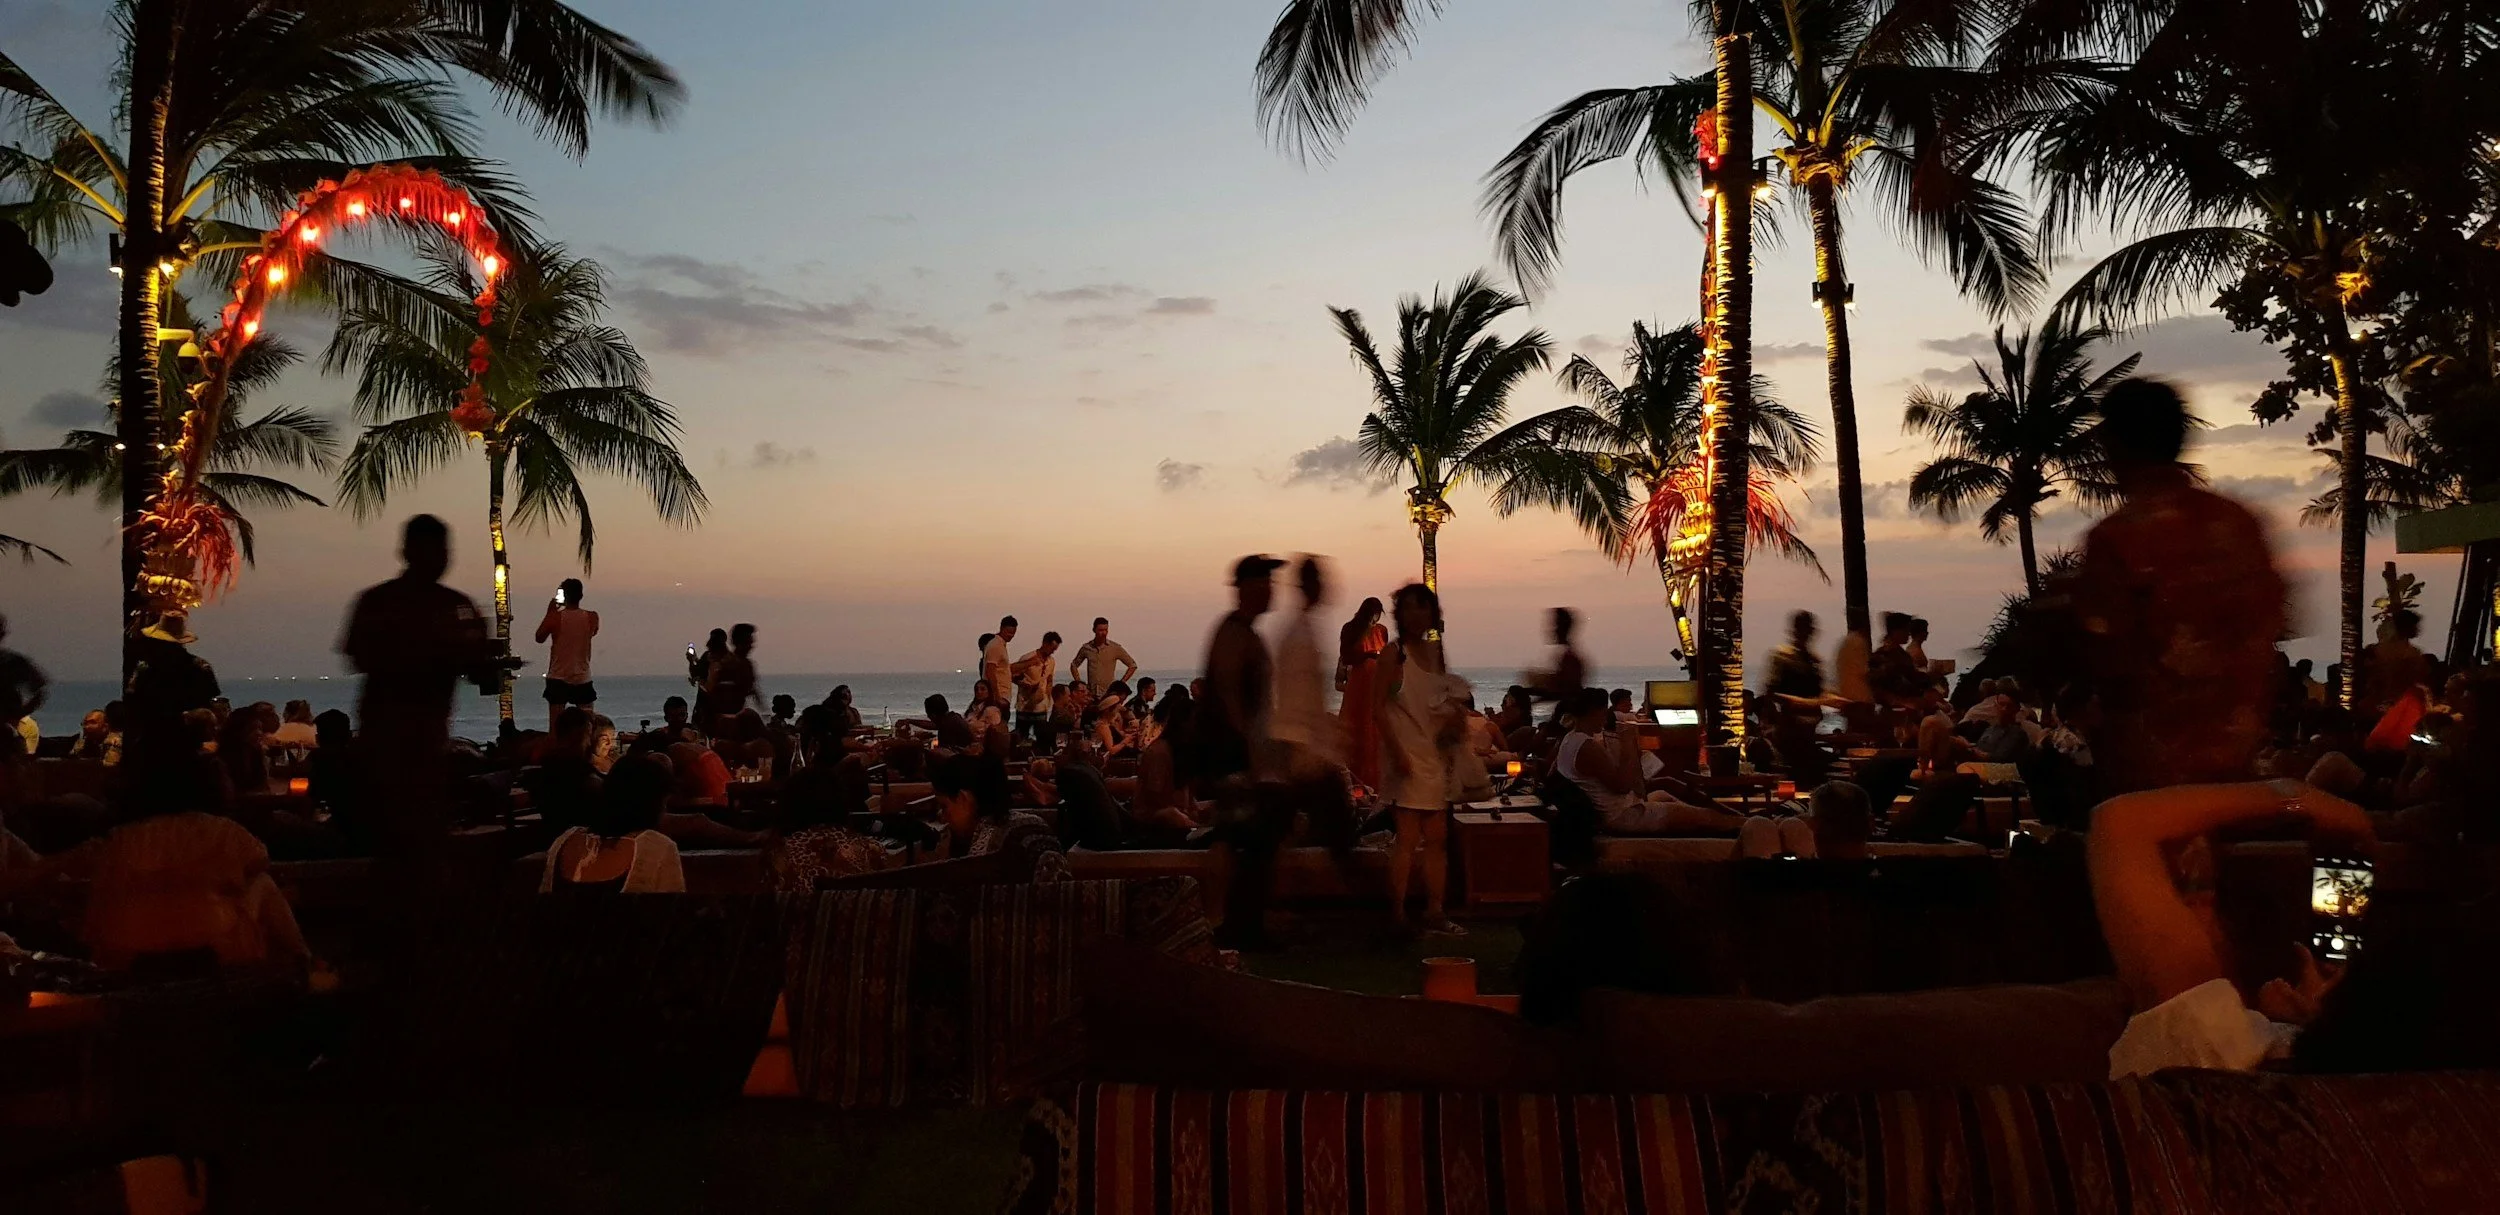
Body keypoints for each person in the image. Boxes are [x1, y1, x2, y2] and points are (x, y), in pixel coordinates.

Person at [2070, 381, 2288, 795]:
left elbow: (2109, 663)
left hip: (2153, 770)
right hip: (2238, 759)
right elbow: (2271, 625)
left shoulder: (2118, 538)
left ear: (2115, 445)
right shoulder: (2239, 525)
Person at [339, 516, 502, 889]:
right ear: (410, 551)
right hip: (393, 739)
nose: (441, 558)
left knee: (410, 841)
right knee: (403, 842)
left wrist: (478, 662)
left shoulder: (397, 602)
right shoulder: (430, 606)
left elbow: (481, 674)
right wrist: (441, 657)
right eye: (436, 550)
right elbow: (362, 656)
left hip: (418, 739)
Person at [1376, 583, 1469, 936]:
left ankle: (1435, 910)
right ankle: (1397, 913)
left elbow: (1441, 700)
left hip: (1435, 756)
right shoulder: (1393, 655)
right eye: (1410, 608)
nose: (1417, 614)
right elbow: (1378, 710)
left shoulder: (1434, 653)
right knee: (1407, 837)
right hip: (1408, 757)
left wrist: (1455, 719)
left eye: (1423, 607)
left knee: (1437, 838)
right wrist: (1398, 754)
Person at [1202, 555, 1285, 947]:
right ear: (1249, 587)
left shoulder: (1247, 633)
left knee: (1242, 836)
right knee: (1235, 835)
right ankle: (1224, 922)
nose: (1273, 590)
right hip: (1234, 752)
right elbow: (1230, 695)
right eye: (1266, 583)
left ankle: (1238, 921)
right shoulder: (1233, 632)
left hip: (1244, 751)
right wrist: (1250, 754)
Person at [1553, 687, 1738, 835]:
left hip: (1621, 808)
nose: (1604, 719)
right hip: (1623, 817)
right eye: (1602, 713)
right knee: (1704, 817)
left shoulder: (1570, 739)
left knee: (1671, 797)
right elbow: (1623, 786)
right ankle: (1742, 825)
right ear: (1593, 712)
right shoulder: (1586, 746)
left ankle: (1735, 819)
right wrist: (1628, 746)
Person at [538, 754, 685, 892]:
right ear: (652, 805)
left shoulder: (564, 840)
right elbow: (671, 911)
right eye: (664, 804)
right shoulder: (656, 847)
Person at [925, 752, 1066, 879]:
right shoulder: (1035, 822)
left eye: (944, 806)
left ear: (963, 798)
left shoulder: (984, 854)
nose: (943, 817)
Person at [1335, 597, 1389, 790]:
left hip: (1376, 684)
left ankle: (1376, 782)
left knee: (1374, 732)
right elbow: (1347, 656)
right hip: (1359, 684)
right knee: (1358, 728)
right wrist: (1367, 655)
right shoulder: (1350, 629)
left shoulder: (1382, 631)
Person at [535, 577, 601, 730]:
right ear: (581, 595)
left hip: (558, 676)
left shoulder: (555, 617)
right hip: (582, 676)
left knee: (556, 728)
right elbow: (593, 632)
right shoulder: (592, 617)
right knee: (587, 726)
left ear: (564, 595)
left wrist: (550, 612)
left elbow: (539, 637)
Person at [1522, 607, 1589, 720]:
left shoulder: (1570, 658)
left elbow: (1567, 692)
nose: (1550, 630)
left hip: (1569, 718)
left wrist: (1530, 698)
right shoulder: (1567, 655)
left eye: (1554, 625)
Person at [0, 614, 46, 759]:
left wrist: (17, 714)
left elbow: (39, 690)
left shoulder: (12, 662)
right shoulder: (12, 662)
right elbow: (39, 690)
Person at [704, 623, 761, 732]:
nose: (751, 645)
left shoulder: (747, 665)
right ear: (738, 643)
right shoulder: (727, 665)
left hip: (737, 720)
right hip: (725, 723)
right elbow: (715, 694)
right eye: (748, 642)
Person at [1012, 631, 1062, 748]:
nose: (1052, 651)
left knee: (1042, 738)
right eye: (1052, 648)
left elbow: (1049, 680)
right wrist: (1025, 685)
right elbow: (1013, 675)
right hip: (1024, 705)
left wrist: (1048, 699)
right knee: (1021, 738)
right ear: (1045, 643)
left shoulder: (1051, 661)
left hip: (1040, 706)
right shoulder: (1028, 658)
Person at [1072, 617, 1138, 698]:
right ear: (1094, 630)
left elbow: (1132, 665)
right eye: (1100, 630)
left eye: (1106, 630)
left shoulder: (1115, 648)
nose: (1104, 633)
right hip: (1091, 695)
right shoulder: (1087, 648)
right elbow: (1074, 665)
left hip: (1108, 694)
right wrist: (1080, 684)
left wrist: (1121, 683)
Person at [982, 617, 1017, 721]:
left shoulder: (1001, 645)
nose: (1011, 635)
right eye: (1008, 632)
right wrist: (997, 696)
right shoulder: (996, 645)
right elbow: (990, 670)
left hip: (1003, 694)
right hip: (998, 695)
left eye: (1013, 633)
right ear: (1002, 628)